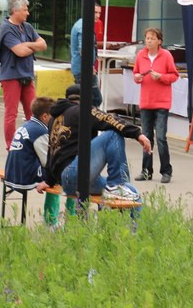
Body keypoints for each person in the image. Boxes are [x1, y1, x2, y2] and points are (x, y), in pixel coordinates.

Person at [41, 85, 151, 207]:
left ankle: (127, 219)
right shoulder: (82, 110)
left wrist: (48, 181)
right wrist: (137, 133)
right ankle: (117, 185)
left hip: (65, 182)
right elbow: (108, 119)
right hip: (75, 174)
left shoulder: (54, 118)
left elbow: (52, 151)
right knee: (113, 135)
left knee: (132, 192)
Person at [4, 97, 73, 226]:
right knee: (67, 177)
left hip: (12, 171)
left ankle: (53, 220)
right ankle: (57, 221)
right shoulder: (40, 132)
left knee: (61, 173)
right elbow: (48, 161)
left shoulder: (28, 125)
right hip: (24, 175)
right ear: (45, 117)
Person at [0, 0, 48, 149]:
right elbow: (19, 51)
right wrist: (31, 46)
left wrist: (27, 44)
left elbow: (43, 44)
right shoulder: (6, 28)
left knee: (34, 112)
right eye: (25, 10)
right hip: (11, 75)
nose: (28, 13)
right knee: (11, 113)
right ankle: (12, 146)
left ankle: (33, 143)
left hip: (27, 74)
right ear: (15, 11)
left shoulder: (27, 27)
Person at [132, 27, 180, 184]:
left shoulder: (166, 56)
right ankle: (146, 171)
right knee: (146, 137)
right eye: (147, 38)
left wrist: (161, 77)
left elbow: (174, 75)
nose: (149, 41)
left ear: (159, 41)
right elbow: (135, 74)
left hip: (161, 102)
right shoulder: (141, 55)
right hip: (146, 101)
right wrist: (137, 77)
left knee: (160, 137)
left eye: (152, 38)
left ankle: (166, 171)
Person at [70, 0, 104, 108]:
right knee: (95, 99)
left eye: (99, 13)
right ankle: (88, 123)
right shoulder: (83, 26)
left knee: (86, 100)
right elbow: (83, 49)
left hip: (81, 68)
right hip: (84, 69)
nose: (98, 16)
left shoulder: (84, 24)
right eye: (95, 12)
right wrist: (89, 66)